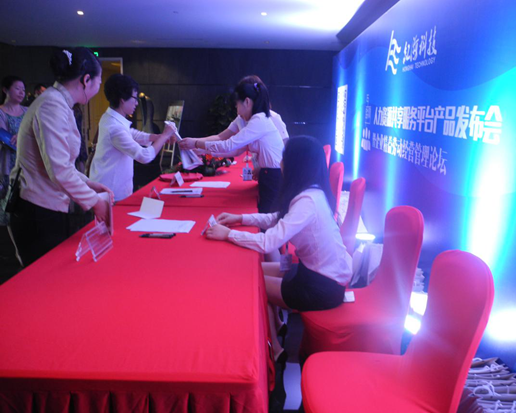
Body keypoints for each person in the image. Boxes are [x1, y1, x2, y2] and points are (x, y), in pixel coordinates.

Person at [205, 136, 353, 364]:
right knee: (254, 270)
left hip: (322, 286)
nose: (280, 162)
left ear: (296, 164)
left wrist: (228, 234)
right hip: (317, 273)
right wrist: (240, 218)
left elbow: (268, 242)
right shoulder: (312, 193)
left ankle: (275, 349)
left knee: (252, 281)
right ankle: (277, 327)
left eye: (284, 157)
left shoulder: (308, 202)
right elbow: (278, 219)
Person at [9, 47, 113, 267]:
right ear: (86, 80)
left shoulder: (59, 102)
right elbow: (58, 170)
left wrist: (90, 184)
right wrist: (95, 201)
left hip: (47, 206)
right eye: (98, 82)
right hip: (37, 209)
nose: (98, 88)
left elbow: (62, 164)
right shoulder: (52, 104)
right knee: (44, 275)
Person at [179, 77, 284, 213]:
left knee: (268, 214)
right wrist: (201, 149)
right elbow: (234, 149)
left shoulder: (259, 121)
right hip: (268, 173)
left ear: (247, 102)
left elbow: (228, 145)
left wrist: (196, 143)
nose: (236, 108)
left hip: (274, 175)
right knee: (265, 212)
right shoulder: (255, 119)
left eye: (237, 104)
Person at [89, 74, 177, 201]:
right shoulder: (114, 127)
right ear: (122, 99)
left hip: (110, 187)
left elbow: (131, 133)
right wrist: (164, 136)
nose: (136, 103)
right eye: (134, 98)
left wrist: (157, 137)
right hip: (111, 192)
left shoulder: (109, 117)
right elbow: (145, 156)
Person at [0, 76, 28, 205]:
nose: (22, 92)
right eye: (17, 88)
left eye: (23, 89)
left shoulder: (28, 111)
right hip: (7, 162)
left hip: (26, 164)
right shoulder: (1, 112)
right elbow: (5, 138)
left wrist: (22, 136)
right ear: (5, 90)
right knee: (7, 200)